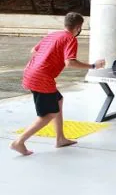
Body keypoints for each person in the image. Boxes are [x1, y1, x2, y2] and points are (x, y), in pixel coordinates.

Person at [10, 13, 105, 156]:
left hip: (31, 72)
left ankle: (60, 139)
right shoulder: (70, 39)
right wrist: (93, 66)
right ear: (78, 27)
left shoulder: (53, 34)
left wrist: (46, 61)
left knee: (58, 100)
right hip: (41, 79)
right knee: (48, 115)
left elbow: (34, 51)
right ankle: (19, 142)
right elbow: (70, 63)